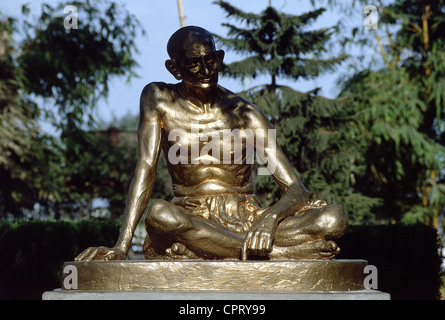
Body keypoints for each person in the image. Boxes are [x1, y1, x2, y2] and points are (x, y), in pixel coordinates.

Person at [75, 26, 348, 262]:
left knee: (333, 218)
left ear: (220, 59)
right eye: (193, 63)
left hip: (247, 219)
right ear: (174, 68)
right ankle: (277, 255)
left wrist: (269, 219)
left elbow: (296, 189)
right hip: (191, 217)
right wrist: (122, 245)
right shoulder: (158, 99)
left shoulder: (248, 114)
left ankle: (224, 249)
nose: (205, 70)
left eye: (210, 60)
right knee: (159, 214)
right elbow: (145, 167)